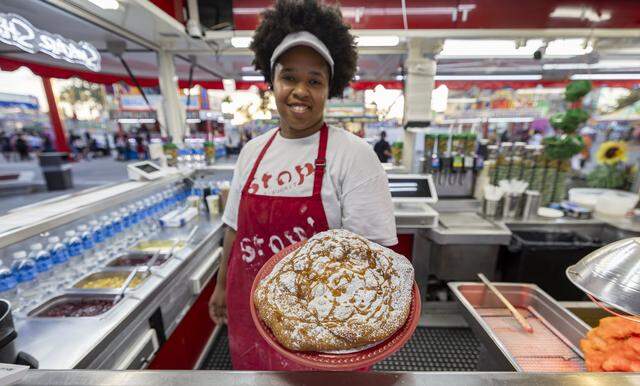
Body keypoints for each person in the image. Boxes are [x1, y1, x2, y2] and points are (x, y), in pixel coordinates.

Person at [208, 0, 397, 371]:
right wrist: (220, 286)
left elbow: (377, 257)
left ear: (330, 88)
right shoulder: (252, 152)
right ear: (271, 82)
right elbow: (234, 229)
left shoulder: (353, 154)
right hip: (250, 309)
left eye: (314, 81)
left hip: (323, 324)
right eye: (289, 77)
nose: (300, 91)